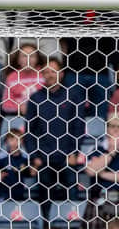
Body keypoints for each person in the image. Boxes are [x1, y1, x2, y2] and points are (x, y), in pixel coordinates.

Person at [24, 57, 84, 219]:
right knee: (45, 199)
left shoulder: (73, 96)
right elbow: (29, 131)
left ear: (62, 73)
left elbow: (78, 127)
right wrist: (34, 156)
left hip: (67, 156)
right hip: (44, 157)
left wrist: (74, 152)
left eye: (53, 71)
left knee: (71, 197)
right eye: (46, 72)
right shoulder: (36, 98)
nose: (50, 75)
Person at [60, 0, 119, 119]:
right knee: (72, 113)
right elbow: (63, 44)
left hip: (100, 73)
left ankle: (98, 140)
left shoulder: (106, 15)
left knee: (100, 113)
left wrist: (116, 67)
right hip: (74, 72)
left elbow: (113, 46)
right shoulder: (70, 15)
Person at [79, 114, 119, 229]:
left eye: (118, 127)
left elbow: (97, 171)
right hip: (99, 202)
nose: (114, 130)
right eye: (111, 126)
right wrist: (111, 152)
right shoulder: (98, 148)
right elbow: (90, 170)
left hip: (117, 199)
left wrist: (102, 174)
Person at [1, 43, 45, 116]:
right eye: (24, 56)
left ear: (37, 59)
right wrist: (19, 108)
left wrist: (32, 108)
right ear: (18, 60)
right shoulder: (12, 77)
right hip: (18, 115)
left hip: (42, 115)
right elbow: (5, 105)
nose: (28, 59)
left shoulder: (44, 73)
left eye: (32, 56)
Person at [0, 129, 33, 200]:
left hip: (18, 192)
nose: (14, 142)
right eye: (11, 140)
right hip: (3, 192)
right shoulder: (1, 157)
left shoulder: (24, 158)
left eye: (17, 140)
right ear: (6, 142)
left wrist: (26, 169)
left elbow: (28, 174)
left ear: (21, 141)